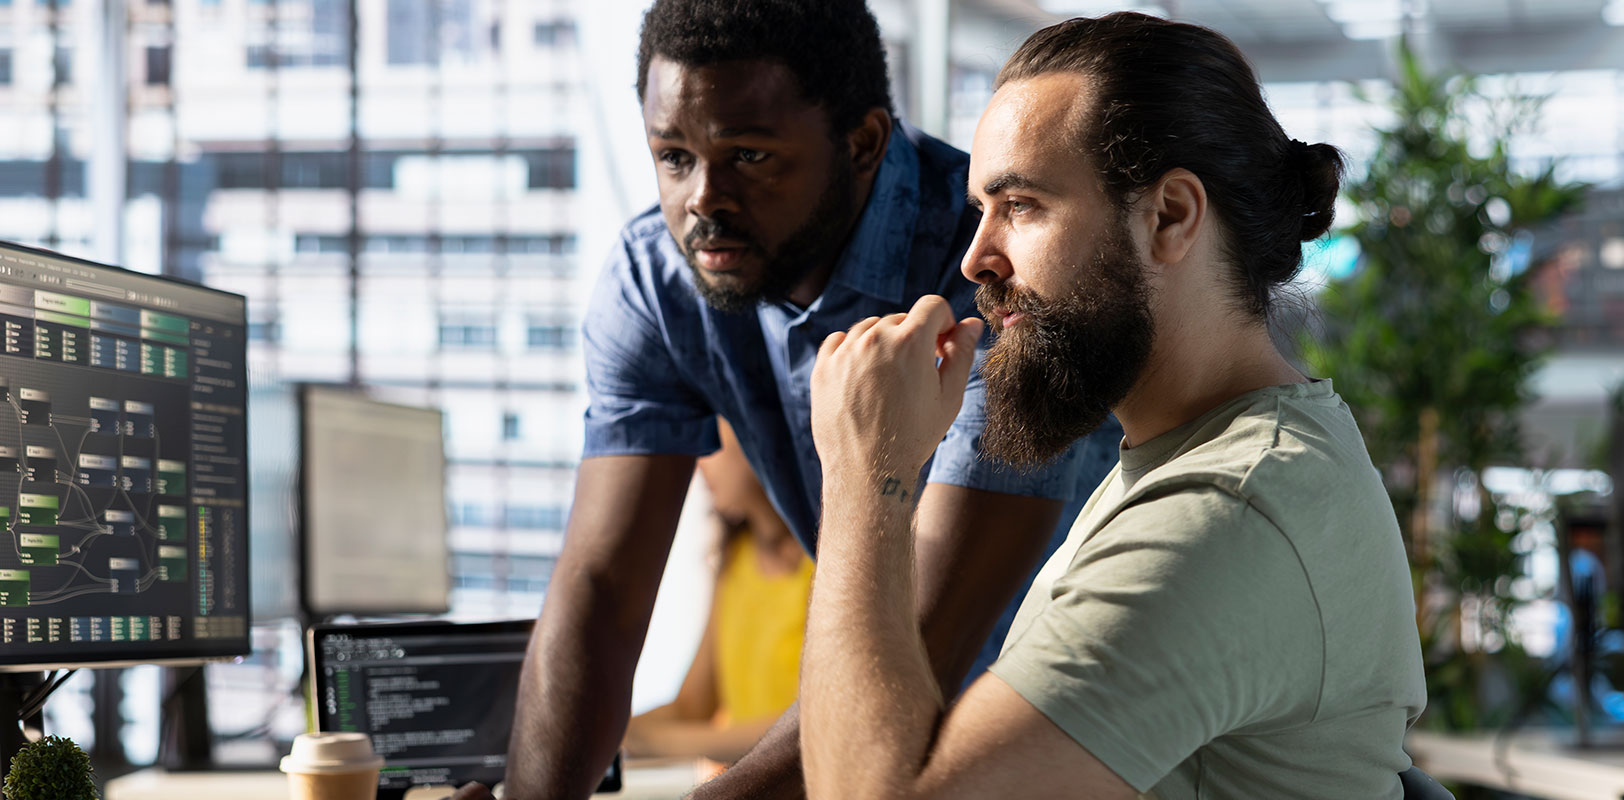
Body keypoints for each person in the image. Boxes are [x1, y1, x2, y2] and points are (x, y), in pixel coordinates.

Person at [451, 1, 1119, 798]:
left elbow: (933, 637)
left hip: (1095, 741)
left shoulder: (998, 271)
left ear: (863, 141)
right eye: (674, 157)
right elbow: (602, 591)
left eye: (750, 156)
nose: (702, 199)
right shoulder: (659, 281)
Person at [798, 13, 1426, 799]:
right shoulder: (1181, 456)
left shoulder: (1227, 511)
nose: (975, 258)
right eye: (979, 211)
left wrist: (866, 474)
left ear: (1169, 217)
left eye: (1021, 205)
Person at [620, 420, 811, 766]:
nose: (698, 462)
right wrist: (607, 733)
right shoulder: (736, 559)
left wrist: (654, 741)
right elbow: (693, 706)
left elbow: (814, 723)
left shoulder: (829, 559)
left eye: (711, 438)